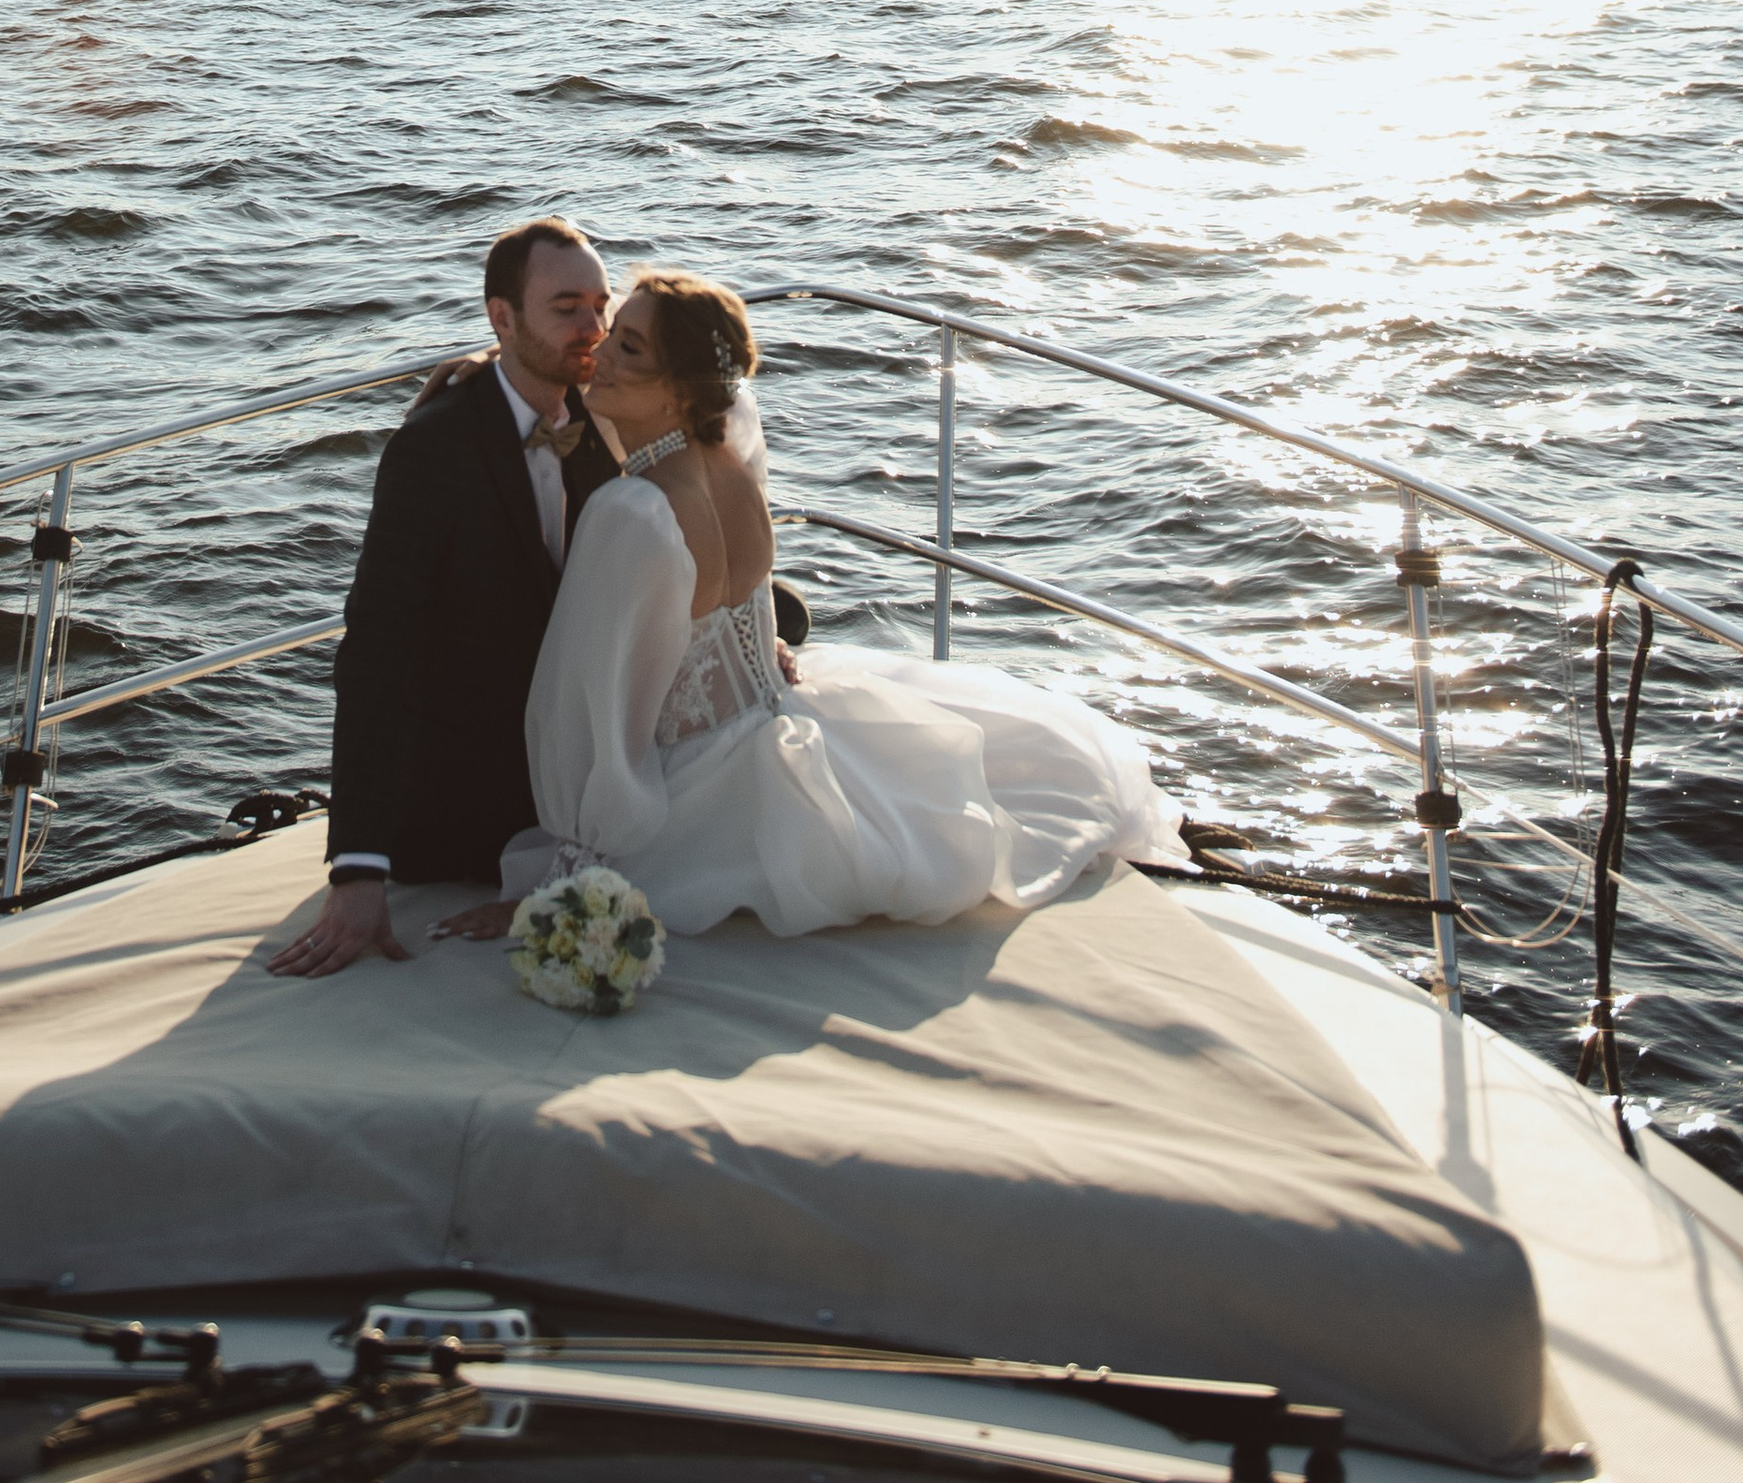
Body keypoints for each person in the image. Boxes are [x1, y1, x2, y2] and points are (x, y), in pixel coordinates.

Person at [504, 273, 1180, 934]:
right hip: (777, 716)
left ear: (679, 389)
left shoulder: (633, 512)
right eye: (612, 334)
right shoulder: (733, 460)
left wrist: (577, 859)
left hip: (704, 791)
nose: (600, 356)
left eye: (630, 348)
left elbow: (589, 709)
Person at [267, 216, 619, 977]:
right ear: (502, 317)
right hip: (466, 808)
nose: (593, 326)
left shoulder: (607, 415)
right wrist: (358, 869)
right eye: (566, 307)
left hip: (578, 781)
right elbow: (375, 650)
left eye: (601, 303)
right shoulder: (435, 445)